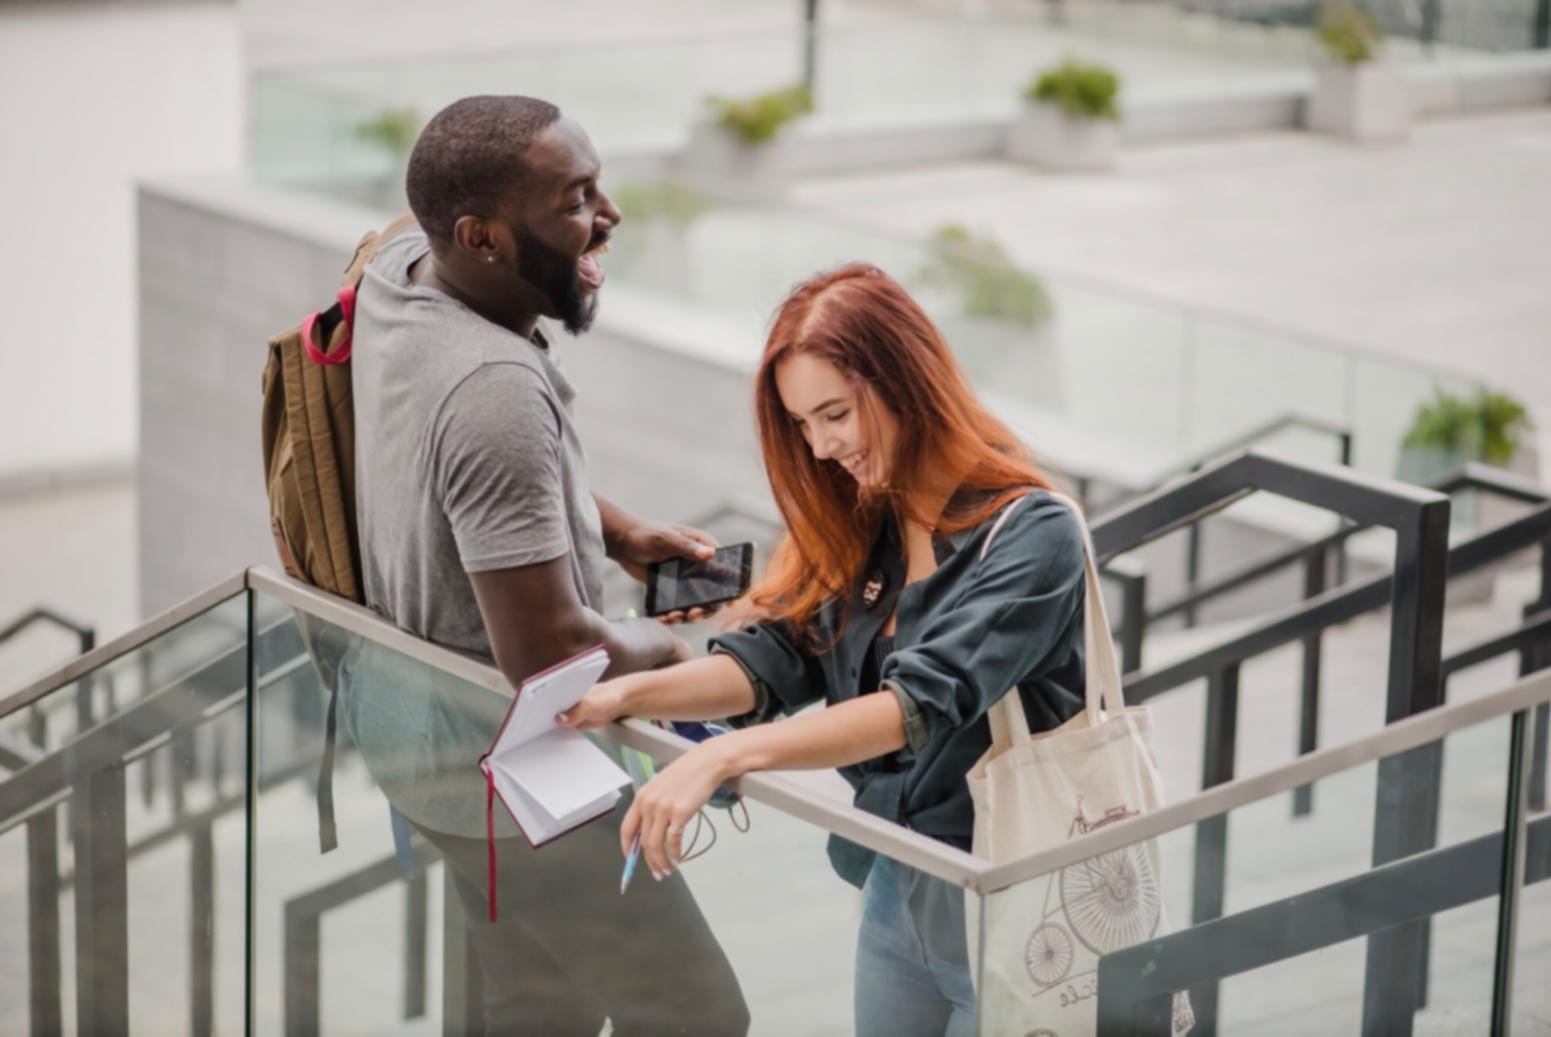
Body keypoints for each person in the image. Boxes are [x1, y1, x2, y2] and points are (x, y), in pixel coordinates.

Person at [559, 263, 1089, 1037]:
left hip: (1010, 891)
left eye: (834, 413)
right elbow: (774, 659)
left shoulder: (1036, 535)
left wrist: (722, 757)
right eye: (803, 425)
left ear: (904, 379)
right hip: (895, 876)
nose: (821, 445)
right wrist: (627, 695)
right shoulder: (868, 519)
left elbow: (912, 707)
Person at [345, 94, 748, 1036]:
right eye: (575, 200)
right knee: (696, 1013)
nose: (608, 216)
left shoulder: (400, 270)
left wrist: (616, 533)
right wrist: (691, 656)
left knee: (533, 1007)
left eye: (596, 185)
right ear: (481, 238)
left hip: (414, 738)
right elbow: (552, 659)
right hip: (507, 764)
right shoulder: (494, 392)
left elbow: (471, 476)